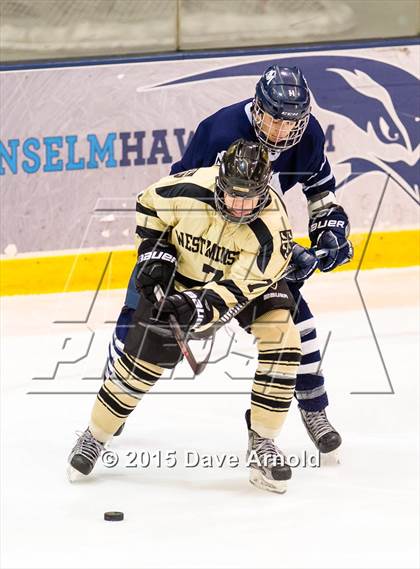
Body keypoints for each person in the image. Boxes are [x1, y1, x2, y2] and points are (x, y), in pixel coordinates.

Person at [68, 139, 303, 493]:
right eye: (232, 194)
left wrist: (198, 306)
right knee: (142, 360)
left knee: (284, 338)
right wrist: (154, 252)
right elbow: (148, 204)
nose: (239, 207)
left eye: (249, 198)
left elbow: (239, 289)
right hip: (182, 275)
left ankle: (263, 442)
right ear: (219, 181)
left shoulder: (272, 230)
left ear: (265, 191)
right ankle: (95, 435)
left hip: (241, 284)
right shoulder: (189, 188)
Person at [168, 64, 353, 453]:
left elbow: (321, 192)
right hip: (202, 245)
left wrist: (329, 232)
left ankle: (308, 411)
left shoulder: (308, 135)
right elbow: (187, 201)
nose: (282, 131)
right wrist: (284, 254)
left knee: (295, 327)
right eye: (274, 119)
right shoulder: (220, 132)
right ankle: (113, 394)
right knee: (148, 328)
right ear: (257, 108)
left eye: (292, 123)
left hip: (259, 257)